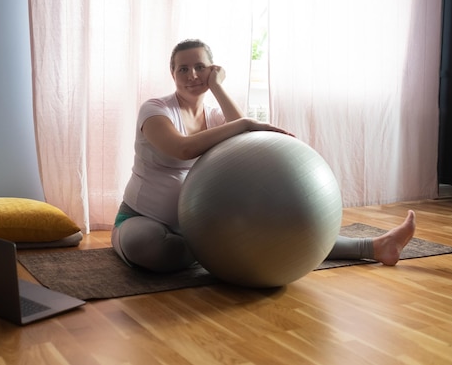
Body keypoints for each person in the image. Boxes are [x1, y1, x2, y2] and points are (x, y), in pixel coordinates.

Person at [112, 39, 416, 273]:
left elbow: (247, 143)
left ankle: (375, 246)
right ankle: (222, 252)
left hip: (199, 223)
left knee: (273, 230)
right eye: (183, 68)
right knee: (148, 246)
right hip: (144, 219)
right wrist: (243, 123)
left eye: (200, 67)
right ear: (172, 73)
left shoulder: (215, 115)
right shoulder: (155, 109)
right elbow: (182, 148)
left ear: (213, 69)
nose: (192, 75)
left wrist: (217, 88)